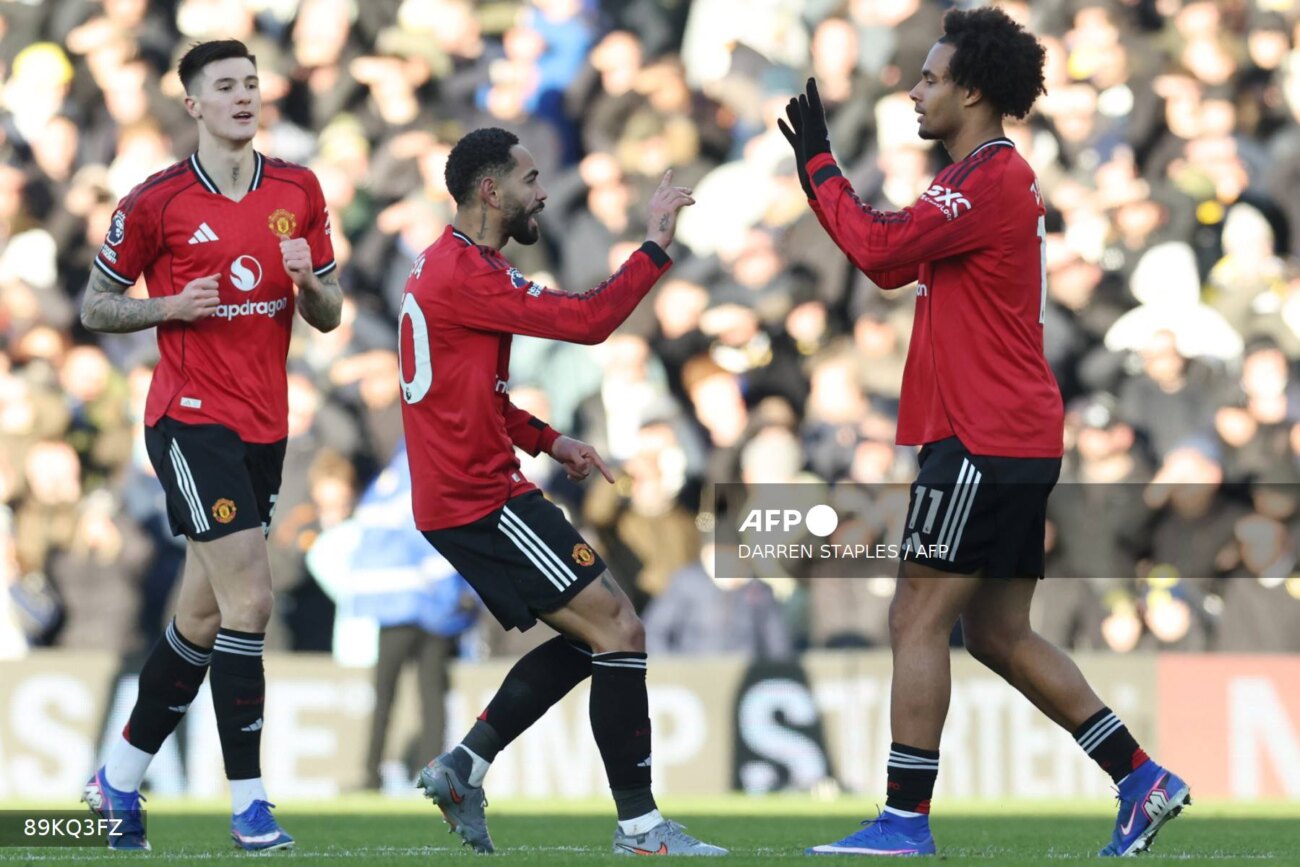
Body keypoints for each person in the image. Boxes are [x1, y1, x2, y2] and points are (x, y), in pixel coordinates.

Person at [779, 9, 1190, 858]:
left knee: (915, 617)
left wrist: (818, 165)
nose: (913, 90)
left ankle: (902, 821)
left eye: (929, 78)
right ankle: (1140, 776)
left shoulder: (985, 177)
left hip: (981, 434)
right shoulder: (988, 178)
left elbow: (878, 253)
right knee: (998, 632)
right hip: (1012, 431)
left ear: (971, 89)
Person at [397, 127, 725, 857]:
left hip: (475, 491)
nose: (542, 192)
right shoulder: (468, 274)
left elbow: (472, 394)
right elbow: (590, 321)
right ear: (491, 191)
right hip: (479, 498)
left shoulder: (447, 267)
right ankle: (641, 828)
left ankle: (464, 766)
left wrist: (551, 440)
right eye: (530, 178)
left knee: (596, 638)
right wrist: (655, 245)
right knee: (621, 631)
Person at [78, 40, 343, 852]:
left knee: (200, 615)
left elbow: (330, 315)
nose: (243, 96)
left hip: (268, 425)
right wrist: (168, 308)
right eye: (224, 86)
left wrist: (310, 283)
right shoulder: (155, 202)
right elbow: (95, 305)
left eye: (252, 85)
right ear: (192, 104)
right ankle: (250, 803)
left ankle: (113, 783)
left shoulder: (298, 189)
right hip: (189, 420)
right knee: (251, 603)